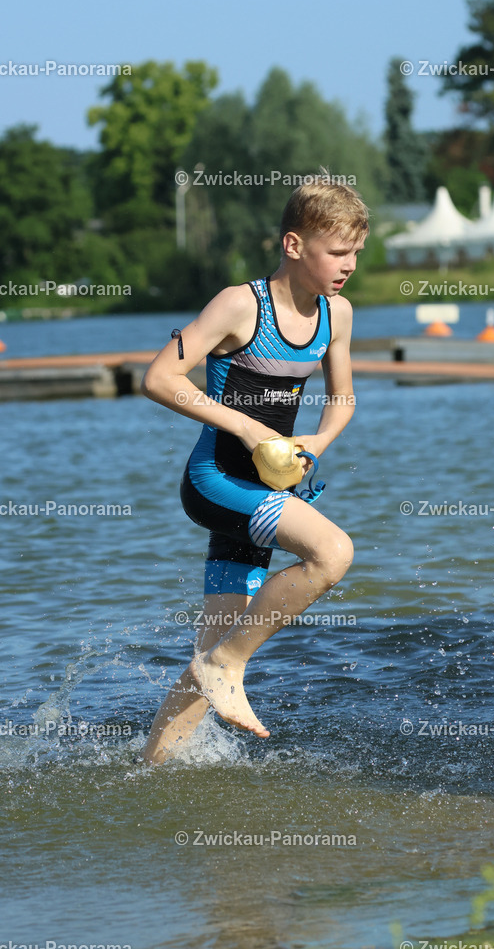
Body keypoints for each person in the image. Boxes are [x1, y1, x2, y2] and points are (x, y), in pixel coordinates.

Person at [141, 177, 369, 764]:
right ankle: (229, 664)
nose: (348, 265)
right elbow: (160, 378)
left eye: (355, 254)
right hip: (215, 483)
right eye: (336, 252)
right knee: (332, 553)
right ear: (295, 246)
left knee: (208, 650)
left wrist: (315, 441)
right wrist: (245, 427)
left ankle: (149, 774)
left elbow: (342, 398)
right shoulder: (241, 304)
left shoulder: (337, 315)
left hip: (264, 488)